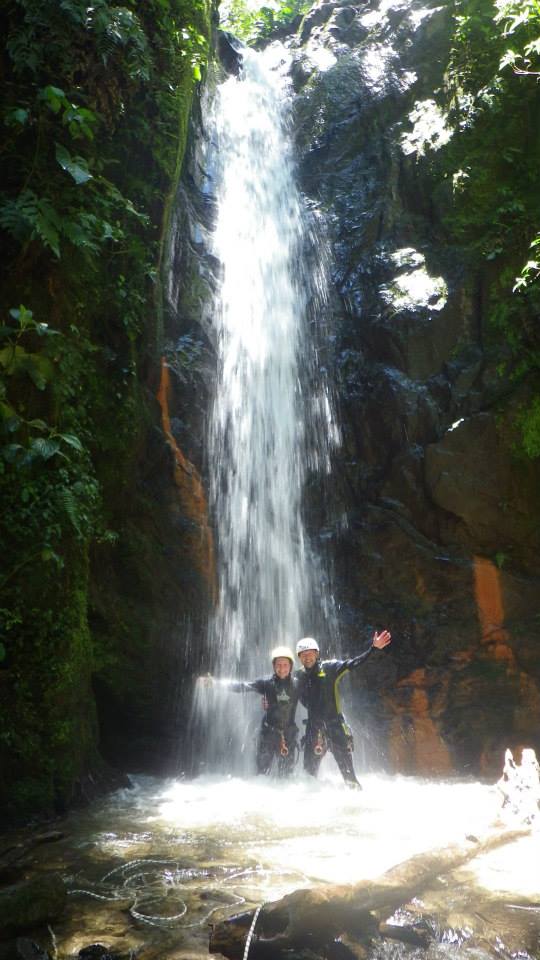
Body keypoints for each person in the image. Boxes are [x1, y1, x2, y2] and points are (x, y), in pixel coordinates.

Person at [296, 631, 391, 788]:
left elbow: (353, 663)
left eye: (310, 653)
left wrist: (373, 648)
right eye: (303, 655)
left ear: (317, 653)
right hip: (314, 729)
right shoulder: (297, 677)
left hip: (335, 726)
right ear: (299, 657)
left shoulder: (330, 668)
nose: (307, 657)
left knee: (350, 778)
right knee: (308, 778)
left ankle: (357, 800)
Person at [207, 646, 300, 777]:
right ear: (274, 666)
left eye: (285, 665)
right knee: (261, 774)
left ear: (291, 666)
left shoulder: (297, 684)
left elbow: (312, 698)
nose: (282, 668)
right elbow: (243, 686)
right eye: (278, 665)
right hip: (268, 734)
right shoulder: (267, 683)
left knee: (286, 776)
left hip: (288, 735)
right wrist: (216, 683)